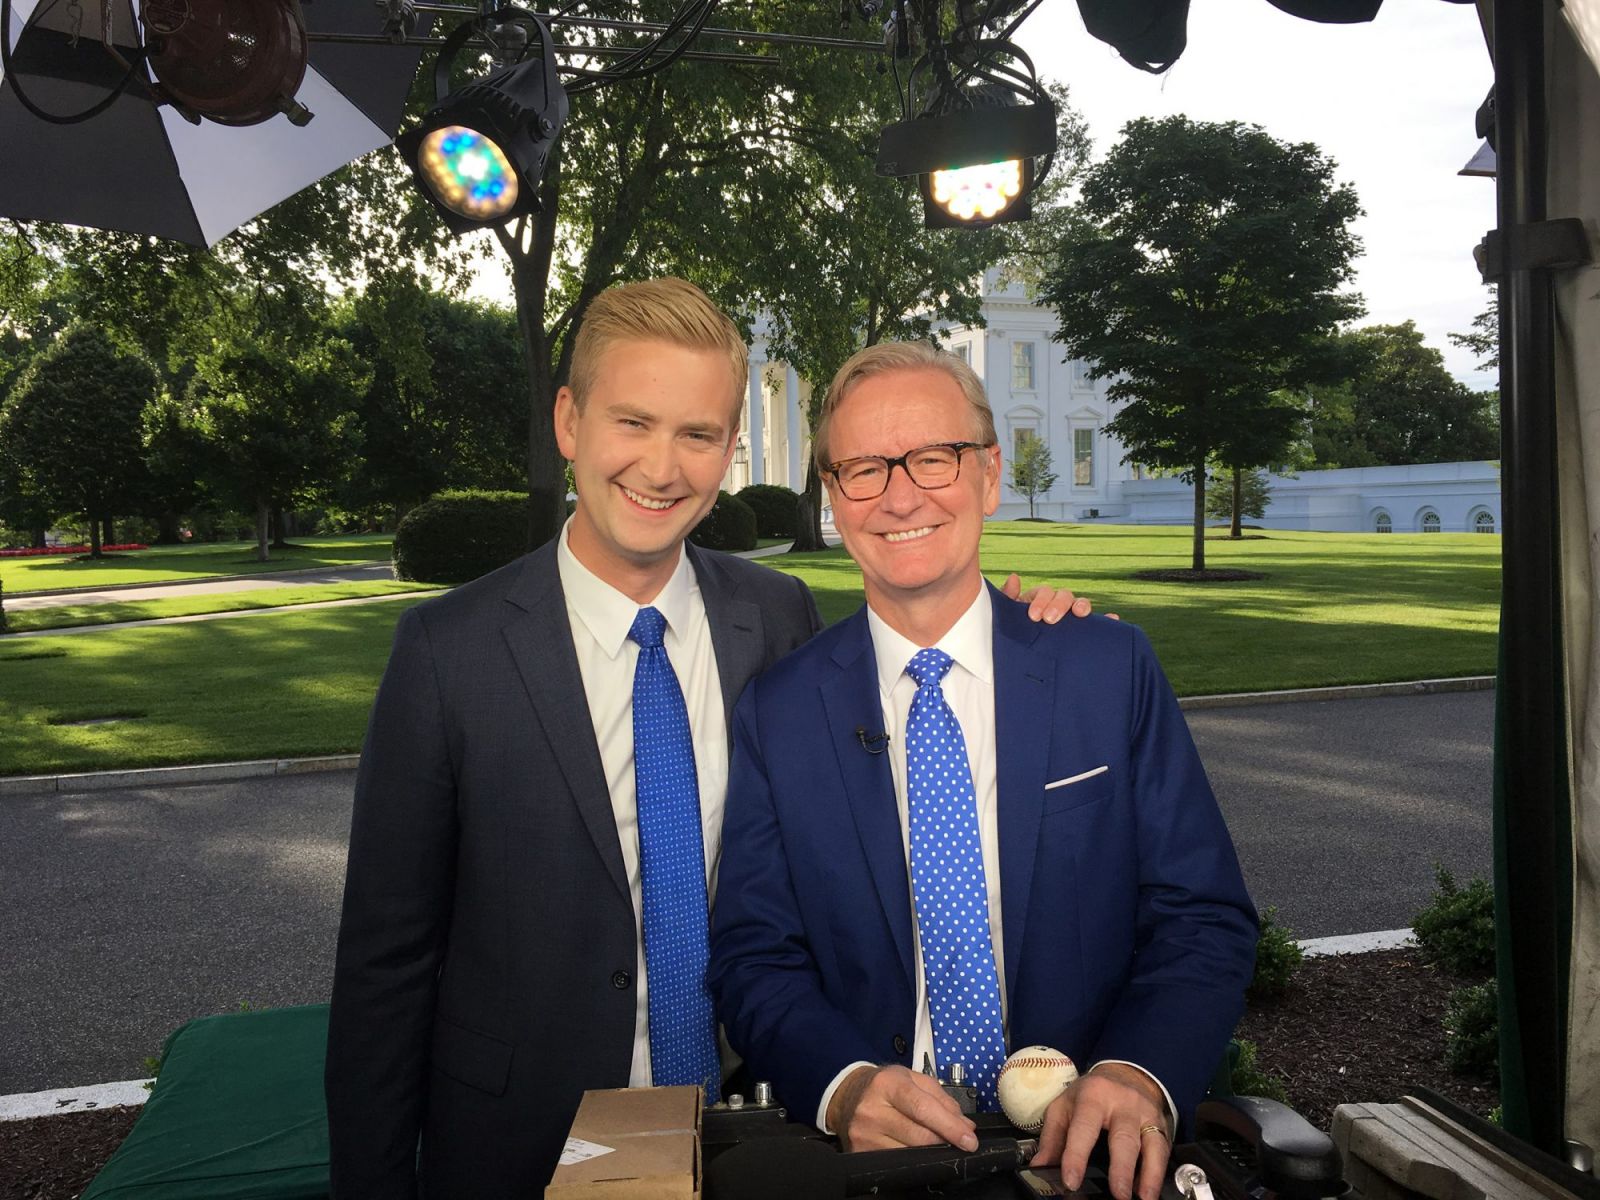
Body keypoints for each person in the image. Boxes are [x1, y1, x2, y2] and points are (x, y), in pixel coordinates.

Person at [324, 279, 1091, 1199]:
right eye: (633, 422)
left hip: (767, 1123)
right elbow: (385, 965)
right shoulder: (449, 652)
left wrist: (1033, 636)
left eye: (698, 434)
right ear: (569, 421)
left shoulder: (776, 617)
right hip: (523, 1133)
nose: (662, 466)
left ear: (731, 447)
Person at [707, 342, 1259, 1200]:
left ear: (990, 474)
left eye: (934, 457)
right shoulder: (777, 712)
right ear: (836, 497)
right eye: (862, 468)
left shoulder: (1105, 670)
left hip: (1089, 1157)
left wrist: (1137, 1073)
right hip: (876, 1164)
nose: (900, 495)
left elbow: (1204, 917)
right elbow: (753, 956)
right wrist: (844, 1084)